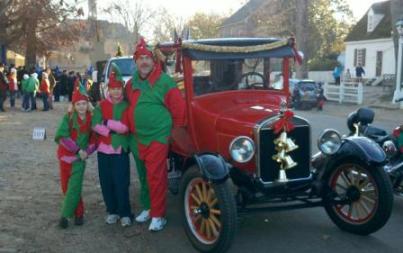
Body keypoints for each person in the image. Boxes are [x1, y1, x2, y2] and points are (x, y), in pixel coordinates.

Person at [125, 37, 186, 231]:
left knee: (156, 176)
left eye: (147, 58)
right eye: (140, 58)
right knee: (143, 176)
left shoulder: (164, 82)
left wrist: (172, 136)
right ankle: (148, 207)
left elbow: (179, 111)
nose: (144, 62)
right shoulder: (130, 84)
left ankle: (158, 215)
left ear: (154, 61)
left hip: (158, 137)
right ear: (135, 62)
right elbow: (121, 104)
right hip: (136, 138)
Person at [92, 63, 133, 227]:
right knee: (106, 182)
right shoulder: (101, 105)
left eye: (118, 89)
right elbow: (95, 124)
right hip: (103, 150)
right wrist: (108, 131)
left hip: (120, 150)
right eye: (113, 88)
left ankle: (124, 212)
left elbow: (125, 127)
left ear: (122, 89)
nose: (116, 92)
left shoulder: (126, 106)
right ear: (108, 89)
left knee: (121, 181)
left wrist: (107, 122)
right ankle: (112, 211)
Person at [54, 86, 96, 229]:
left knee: (74, 187)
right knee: (67, 188)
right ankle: (79, 213)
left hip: (79, 160)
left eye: (84, 103)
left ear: (87, 104)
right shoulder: (68, 117)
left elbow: (95, 140)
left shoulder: (92, 119)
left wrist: (87, 151)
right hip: (65, 158)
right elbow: (62, 136)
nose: (81, 106)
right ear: (73, 105)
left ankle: (65, 216)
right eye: (78, 104)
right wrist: (78, 150)